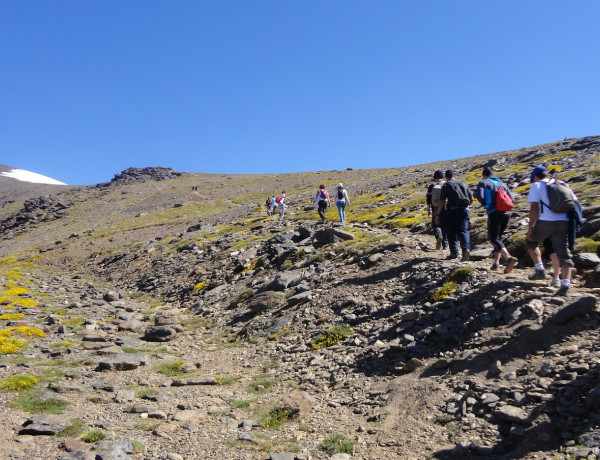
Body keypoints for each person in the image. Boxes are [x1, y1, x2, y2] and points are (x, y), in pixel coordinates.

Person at [526, 165, 577, 296]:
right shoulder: (562, 184)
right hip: (564, 222)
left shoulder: (537, 186)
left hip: (546, 221)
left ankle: (540, 269)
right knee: (564, 254)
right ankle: (566, 284)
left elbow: (534, 208)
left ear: (536, 176)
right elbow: (574, 202)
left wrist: (530, 227)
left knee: (531, 242)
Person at [475, 167, 517, 273]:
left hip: (494, 212)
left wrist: (486, 204)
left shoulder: (483, 182)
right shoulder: (503, 184)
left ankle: (508, 258)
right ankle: (496, 264)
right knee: (499, 238)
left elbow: (479, 195)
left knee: (494, 239)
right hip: (506, 213)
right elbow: (512, 199)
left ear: (484, 175)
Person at [435, 170, 473, 261]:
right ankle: (466, 249)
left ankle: (454, 253)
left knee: (451, 231)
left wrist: (437, 214)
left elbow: (442, 201)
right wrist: (467, 207)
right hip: (464, 210)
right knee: (463, 231)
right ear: (454, 175)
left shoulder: (446, 185)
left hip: (452, 211)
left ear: (446, 177)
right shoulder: (463, 184)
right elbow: (471, 198)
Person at [426, 170, 448, 250]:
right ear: (442, 177)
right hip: (445, 208)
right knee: (445, 226)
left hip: (435, 208)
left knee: (436, 225)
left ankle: (439, 236)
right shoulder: (445, 184)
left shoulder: (431, 186)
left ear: (434, 178)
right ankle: (445, 245)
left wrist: (429, 210)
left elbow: (428, 199)